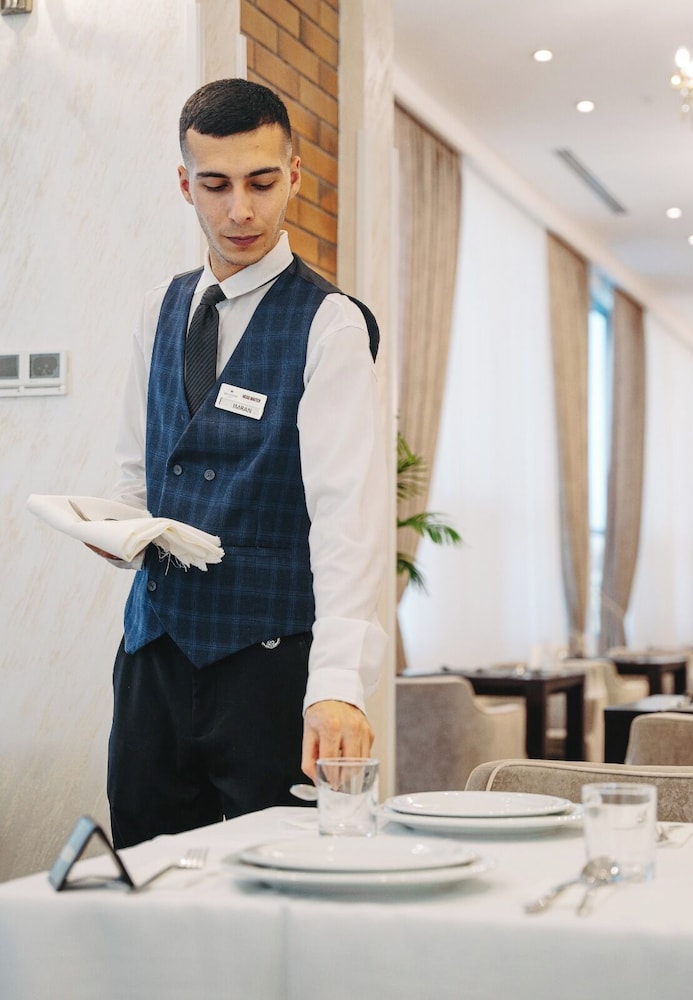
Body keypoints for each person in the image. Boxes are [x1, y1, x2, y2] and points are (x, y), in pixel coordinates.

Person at [103, 78, 388, 849]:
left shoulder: (329, 324)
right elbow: (137, 474)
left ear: (293, 175)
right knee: (146, 875)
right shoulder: (159, 310)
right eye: (216, 185)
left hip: (272, 669)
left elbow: (348, 518)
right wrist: (114, 531)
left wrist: (339, 686)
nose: (240, 211)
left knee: (286, 883)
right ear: (184, 184)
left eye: (261, 183)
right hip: (153, 660)